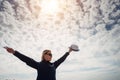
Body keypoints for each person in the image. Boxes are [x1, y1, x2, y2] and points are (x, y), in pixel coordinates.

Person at [4, 46, 73, 80]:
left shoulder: (54, 65)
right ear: (44, 55)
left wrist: (69, 51)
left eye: (51, 54)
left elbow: (62, 59)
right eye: (49, 54)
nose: (50, 55)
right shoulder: (39, 65)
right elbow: (27, 59)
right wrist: (14, 52)